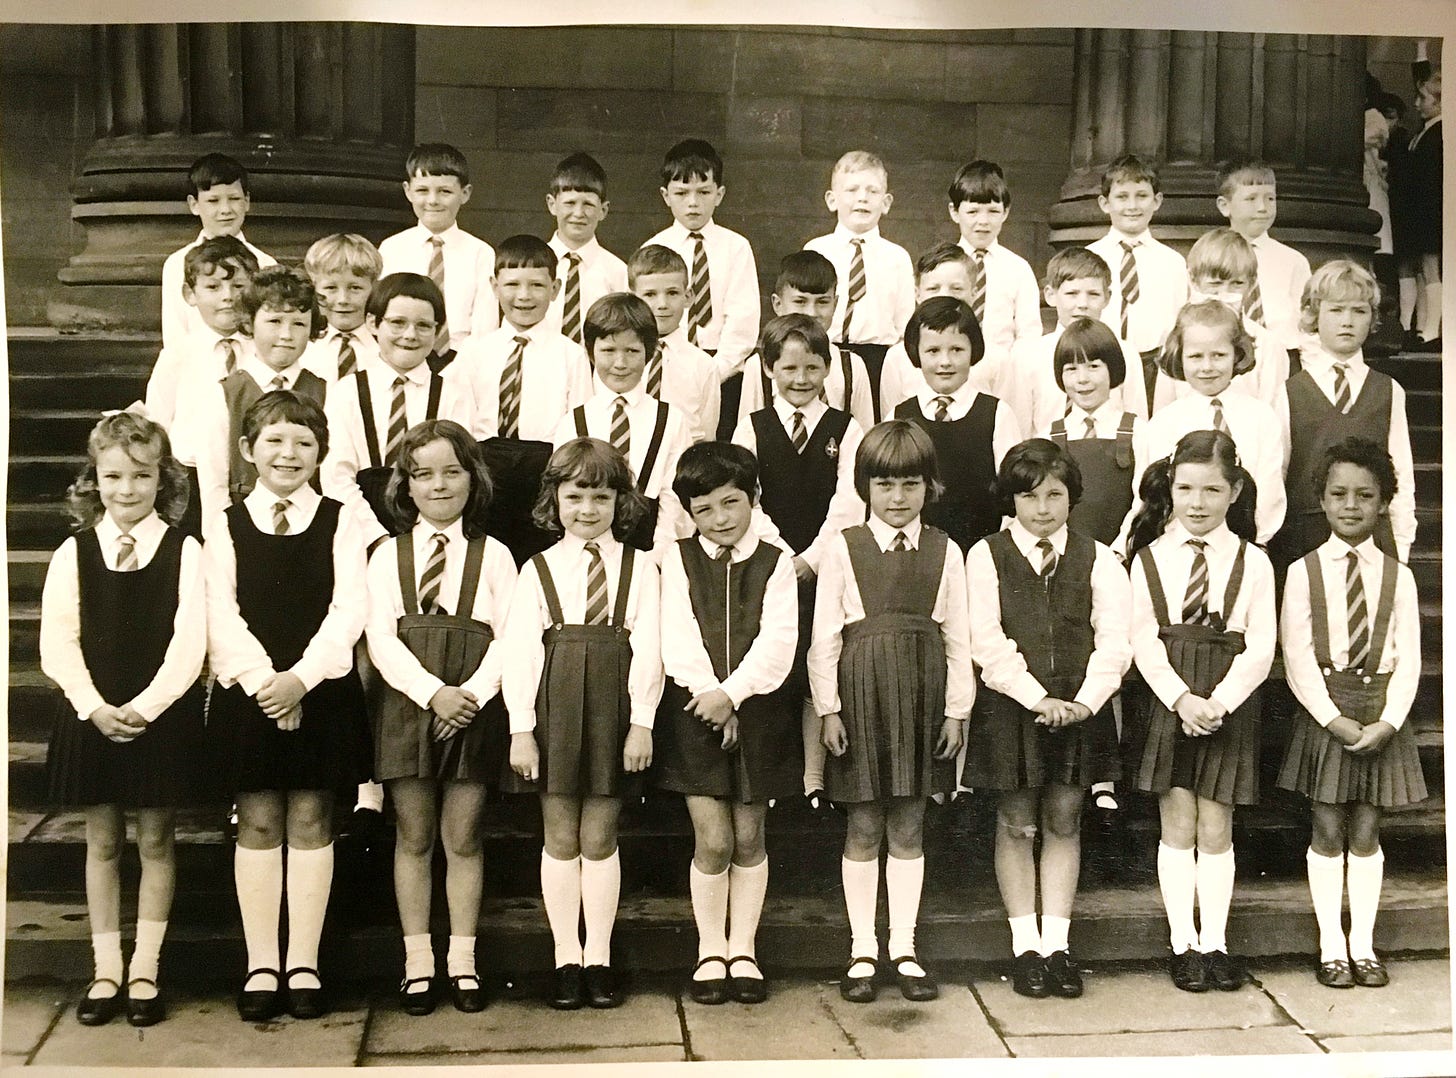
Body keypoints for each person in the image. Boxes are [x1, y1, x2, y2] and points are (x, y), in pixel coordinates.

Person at [204, 392, 371, 1022]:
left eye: (303, 442)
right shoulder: (223, 522)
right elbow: (220, 611)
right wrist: (264, 683)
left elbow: (349, 609)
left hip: (319, 689)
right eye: (274, 440)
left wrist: (300, 680)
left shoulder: (340, 519)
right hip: (251, 692)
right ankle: (260, 963)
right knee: (260, 823)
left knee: (310, 820)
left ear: (320, 453)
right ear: (248, 452)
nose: (288, 453)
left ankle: (303, 960)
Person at [40, 411, 206, 1028]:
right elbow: (57, 643)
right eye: (114, 476)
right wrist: (95, 708)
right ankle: (106, 967)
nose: (127, 489)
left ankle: (146, 969)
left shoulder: (184, 550)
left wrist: (146, 708)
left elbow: (191, 644)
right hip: (94, 714)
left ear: (161, 480)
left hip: (157, 715)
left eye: (141, 476)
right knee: (104, 840)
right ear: (96, 479)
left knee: (157, 839)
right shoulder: (72, 551)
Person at [809, 420, 971, 1003]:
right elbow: (825, 636)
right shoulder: (842, 548)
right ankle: (862, 948)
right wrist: (829, 709)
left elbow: (958, 638)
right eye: (884, 486)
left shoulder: (947, 550)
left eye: (910, 485)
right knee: (864, 822)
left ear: (929, 487)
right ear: (864, 487)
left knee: (908, 821)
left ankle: (903, 946)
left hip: (924, 694)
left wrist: (956, 712)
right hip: (862, 694)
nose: (898, 498)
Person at [964, 438, 1131, 999]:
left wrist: (1085, 700)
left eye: (1054, 495)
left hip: (1080, 707)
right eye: (1028, 496)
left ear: (1071, 498)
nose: (1042, 508)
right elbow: (985, 640)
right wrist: (1036, 697)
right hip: (1015, 705)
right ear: (1010, 500)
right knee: (1016, 821)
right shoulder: (986, 554)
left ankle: (1057, 945)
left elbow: (1115, 641)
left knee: (1064, 818)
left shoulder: (1100, 557)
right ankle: (1025, 947)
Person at [501, 438, 662, 1010]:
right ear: (555, 499)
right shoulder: (538, 568)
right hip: (556, 708)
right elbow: (520, 650)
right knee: (560, 834)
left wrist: (641, 721)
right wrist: (522, 727)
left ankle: (600, 956)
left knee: (599, 836)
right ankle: (565, 955)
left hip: (614, 709)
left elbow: (650, 649)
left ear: (621, 501)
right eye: (575, 496)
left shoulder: (642, 569)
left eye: (600, 496)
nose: (587, 509)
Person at [366, 420, 518, 1016]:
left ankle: (462, 960)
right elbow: (379, 638)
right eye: (422, 474)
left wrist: (472, 694)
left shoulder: (496, 556)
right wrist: (432, 693)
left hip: (472, 707)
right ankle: (418, 963)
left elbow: (513, 637)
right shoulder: (386, 554)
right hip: (409, 703)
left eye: (451, 471)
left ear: (472, 478)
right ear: (405, 485)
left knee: (463, 836)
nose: (438, 485)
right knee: (414, 835)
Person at [1125, 430, 1276, 994]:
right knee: (1179, 822)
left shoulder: (1254, 563)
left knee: (1217, 826)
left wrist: (1219, 702)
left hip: (1226, 704)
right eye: (1185, 488)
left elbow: (1261, 646)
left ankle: (1215, 940)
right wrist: (1182, 699)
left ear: (1234, 491)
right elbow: (1141, 638)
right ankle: (1182, 942)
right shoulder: (1148, 560)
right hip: (1170, 702)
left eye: (1212, 489)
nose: (1196, 502)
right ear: (1170, 488)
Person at [1276, 437, 1425, 989]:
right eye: (1338, 494)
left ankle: (1362, 943)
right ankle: (1330, 945)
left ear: (1384, 501)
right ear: (1322, 499)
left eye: (1365, 495)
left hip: (1382, 711)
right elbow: (1296, 655)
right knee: (1327, 827)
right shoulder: (1302, 571)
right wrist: (1329, 717)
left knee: (1367, 831)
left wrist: (1389, 721)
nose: (1351, 505)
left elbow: (1410, 657)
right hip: (1329, 713)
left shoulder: (1400, 577)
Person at [656, 442, 799, 1005]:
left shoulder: (775, 560)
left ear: (754, 498)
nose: (720, 520)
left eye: (731, 503)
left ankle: (744, 948)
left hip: (758, 712)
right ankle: (709, 948)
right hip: (695, 711)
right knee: (712, 840)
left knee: (748, 836)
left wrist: (734, 694)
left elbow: (778, 641)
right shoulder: (676, 559)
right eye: (705, 510)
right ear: (689, 514)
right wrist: (710, 696)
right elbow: (678, 633)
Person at [731, 313, 866, 804]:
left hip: (826, 565)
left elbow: (851, 500)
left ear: (828, 368)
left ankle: (814, 779)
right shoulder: (752, 429)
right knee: (775, 664)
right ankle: (771, 777)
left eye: (812, 367)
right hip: (771, 565)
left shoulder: (845, 428)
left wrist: (812, 558)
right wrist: (784, 557)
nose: (801, 379)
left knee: (818, 660)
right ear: (768, 370)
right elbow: (747, 498)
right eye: (788, 369)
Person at [1273, 260, 1417, 568]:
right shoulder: (1287, 391)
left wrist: (1400, 546)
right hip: (1304, 541)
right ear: (1314, 316)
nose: (1347, 321)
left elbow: (1402, 475)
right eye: (1336, 311)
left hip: (1372, 541)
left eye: (1359, 311)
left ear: (1372, 319)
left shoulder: (1389, 390)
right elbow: (1278, 474)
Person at [460, 234, 592, 563]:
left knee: (538, 556)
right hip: (486, 467)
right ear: (494, 286)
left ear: (555, 289)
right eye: (513, 284)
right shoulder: (474, 352)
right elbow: (460, 419)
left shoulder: (570, 354)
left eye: (536, 285)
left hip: (543, 469)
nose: (524, 296)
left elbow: (578, 425)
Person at [324, 272, 474, 553]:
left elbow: (457, 476)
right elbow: (337, 478)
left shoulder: (454, 396)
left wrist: (420, 541)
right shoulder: (346, 393)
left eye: (423, 326)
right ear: (373, 323)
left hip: (431, 538)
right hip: (359, 534)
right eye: (397, 323)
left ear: (437, 330)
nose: (410, 335)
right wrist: (376, 539)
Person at [1127, 300, 1285, 549]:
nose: (1207, 367)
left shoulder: (1261, 418)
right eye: (1196, 356)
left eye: (1219, 355)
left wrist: (1255, 542)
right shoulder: (1165, 423)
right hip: (1180, 546)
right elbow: (1151, 495)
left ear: (1237, 354)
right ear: (1180, 357)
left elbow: (1270, 490)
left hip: (1248, 546)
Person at [552, 292, 694, 557]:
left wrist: (660, 555)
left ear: (648, 354)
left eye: (632, 351)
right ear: (591, 352)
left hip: (651, 549)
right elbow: (564, 496)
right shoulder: (573, 421)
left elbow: (676, 499)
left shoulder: (671, 420)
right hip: (586, 548)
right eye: (608, 351)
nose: (620, 363)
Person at [194, 266, 327, 530]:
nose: (287, 335)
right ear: (249, 322)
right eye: (274, 321)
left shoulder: (327, 391)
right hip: (243, 527)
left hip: (310, 525)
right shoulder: (223, 395)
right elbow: (214, 485)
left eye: (299, 324)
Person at [645, 138, 760, 437]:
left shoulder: (736, 247)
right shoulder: (654, 248)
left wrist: (713, 372)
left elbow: (743, 320)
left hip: (724, 369)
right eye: (682, 193)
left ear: (719, 194)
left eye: (703, 192)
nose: (693, 202)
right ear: (665, 196)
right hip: (668, 364)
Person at [145, 236, 258, 539]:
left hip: (251, 473)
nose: (228, 297)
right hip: (189, 477)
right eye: (213, 287)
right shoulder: (178, 354)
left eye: (238, 286)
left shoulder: (262, 350)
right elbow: (158, 420)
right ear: (189, 294)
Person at [892, 296, 1022, 554]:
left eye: (957, 350)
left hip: (982, 550)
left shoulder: (997, 414)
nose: (945, 362)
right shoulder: (899, 415)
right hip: (918, 553)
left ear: (973, 351)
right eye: (933, 351)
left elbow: (1014, 495)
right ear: (916, 353)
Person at [805, 150, 916, 419]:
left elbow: (905, 324)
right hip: (825, 352)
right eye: (852, 190)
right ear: (832, 200)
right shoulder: (817, 250)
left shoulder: (897, 257)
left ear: (886, 202)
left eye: (872, 191)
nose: (862, 198)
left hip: (878, 359)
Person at [1004, 247, 1150, 438]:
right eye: (1072, 294)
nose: (1082, 304)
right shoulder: (1027, 356)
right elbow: (1018, 427)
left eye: (1093, 294)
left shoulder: (1125, 352)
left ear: (1107, 298)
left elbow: (1137, 419)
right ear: (1050, 295)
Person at [379, 143, 497, 359]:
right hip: (403, 357)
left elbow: (484, 329)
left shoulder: (481, 253)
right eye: (422, 191)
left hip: (463, 362)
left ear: (465, 193)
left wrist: (460, 368)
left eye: (445, 191)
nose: (432, 201)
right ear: (408, 191)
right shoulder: (392, 249)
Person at [1087, 154, 1189, 403]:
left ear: (1157, 201)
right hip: (1101, 363)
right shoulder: (1089, 257)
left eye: (1141, 196)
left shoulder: (1173, 262)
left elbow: (1179, 320)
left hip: (1154, 367)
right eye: (1122, 197)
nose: (1132, 206)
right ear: (1104, 203)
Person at [736, 250, 875, 433]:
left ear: (835, 304)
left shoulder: (852, 366)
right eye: (800, 301)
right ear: (778, 304)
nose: (811, 312)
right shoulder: (758, 366)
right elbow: (748, 434)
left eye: (822, 302)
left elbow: (864, 438)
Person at [878, 242, 1009, 418]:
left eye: (956, 288)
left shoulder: (997, 357)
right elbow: (891, 419)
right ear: (917, 294)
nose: (944, 295)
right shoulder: (897, 357)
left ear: (974, 293)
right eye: (933, 288)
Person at [1042, 317, 1142, 547]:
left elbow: (1142, 502)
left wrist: (1119, 550)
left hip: (1121, 553)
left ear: (1113, 370)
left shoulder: (1138, 431)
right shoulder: (1048, 435)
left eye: (1093, 367)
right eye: (1071, 369)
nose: (1082, 379)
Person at [160, 152, 275, 350]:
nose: (225, 210)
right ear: (194, 204)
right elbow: (175, 334)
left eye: (234, 198)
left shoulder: (266, 264)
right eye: (213, 201)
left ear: (246, 201)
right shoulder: (177, 264)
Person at [1183, 227, 1292, 408]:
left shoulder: (1267, 345)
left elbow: (1272, 412)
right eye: (1215, 284)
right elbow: (1165, 409)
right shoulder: (1180, 337)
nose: (1224, 294)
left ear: (1251, 284)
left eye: (1237, 284)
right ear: (1193, 281)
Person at [946, 159, 1041, 357]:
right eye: (972, 212)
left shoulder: (1018, 270)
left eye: (993, 212)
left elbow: (1028, 334)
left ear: (1005, 213)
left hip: (1003, 371)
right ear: (954, 212)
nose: (983, 221)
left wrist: (1011, 372)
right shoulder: (943, 266)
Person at [628, 243, 722, 442]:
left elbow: (706, 434)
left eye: (672, 293)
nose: (662, 304)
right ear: (633, 298)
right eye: (650, 294)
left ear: (687, 297)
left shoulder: (703, 365)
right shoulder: (619, 360)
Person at [1214, 160, 1312, 349]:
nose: (1262, 207)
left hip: (1283, 357)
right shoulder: (1212, 257)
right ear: (1224, 206)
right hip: (1228, 358)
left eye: (1270, 199)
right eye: (1251, 199)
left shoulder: (1293, 261)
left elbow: (1308, 325)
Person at [544, 152, 628, 345]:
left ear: (603, 210)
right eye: (570, 203)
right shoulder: (535, 265)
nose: (578, 213)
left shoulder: (617, 272)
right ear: (552, 204)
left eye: (588, 204)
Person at [1389, 62, 1442, 350]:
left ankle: (1431, 331)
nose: (1417, 103)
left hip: (1429, 211)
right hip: (1416, 210)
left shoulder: (1441, 132)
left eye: (1424, 99)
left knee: (1430, 268)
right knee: (1416, 266)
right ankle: (1412, 327)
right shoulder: (1426, 132)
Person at [299, 233, 385, 383]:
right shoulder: (302, 345)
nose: (343, 300)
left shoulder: (386, 345)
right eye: (331, 287)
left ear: (374, 288)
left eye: (355, 288)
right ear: (314, 288)